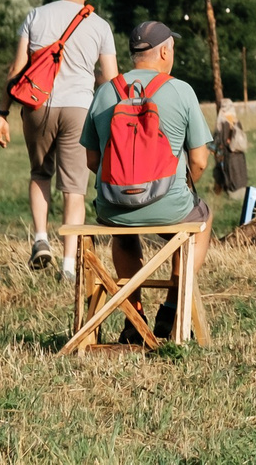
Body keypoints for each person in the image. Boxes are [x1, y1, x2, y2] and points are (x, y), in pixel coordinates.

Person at [82, 20, 213, 341]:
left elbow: (92, 161)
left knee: (124, 234)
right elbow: (199, 160)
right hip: (170, 204)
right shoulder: (181, 90)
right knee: (202, 220)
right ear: (165, 51)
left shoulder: (105, 93)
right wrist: (176, 187)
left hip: (114, 204)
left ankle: (133, 316)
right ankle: (171, 308)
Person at [0, 0, 118, 278]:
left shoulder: (35, 16)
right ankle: (68, 266)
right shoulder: (100, 26)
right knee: (74, 188)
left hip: (37, 105)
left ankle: (40, 239)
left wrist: (2, 113)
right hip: (79, 107)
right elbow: (111, 78)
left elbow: (17, 69)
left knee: (39, 172)